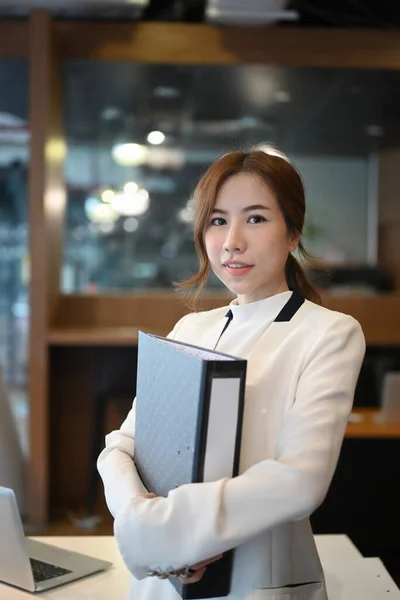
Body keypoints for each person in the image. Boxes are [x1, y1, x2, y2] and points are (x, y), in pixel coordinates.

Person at [97, 147, 366, 600]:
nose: (232, 242)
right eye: (218, 221)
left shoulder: (329, 333)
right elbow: (121, 446)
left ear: (293, 232)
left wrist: (177, 528)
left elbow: (301, 480)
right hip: (160, 577)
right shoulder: (190, 328)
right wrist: (142, 518)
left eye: (256, 219)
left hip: (260, 578)